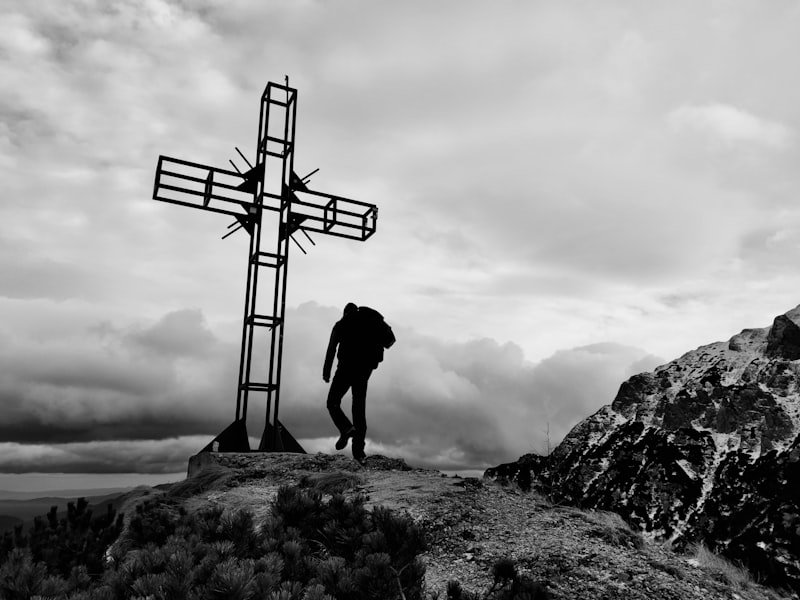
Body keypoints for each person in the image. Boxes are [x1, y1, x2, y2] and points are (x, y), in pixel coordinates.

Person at [323, 302, 395, 462]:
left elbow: (331, 348)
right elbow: (390, 341)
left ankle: (346, 428)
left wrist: (326, 371)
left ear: (345, 313)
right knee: (358, 408)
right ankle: (358, 453)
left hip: (345, 368)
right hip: (364, 369)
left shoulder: (342, 323)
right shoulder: (372, 320)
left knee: (332, 402)